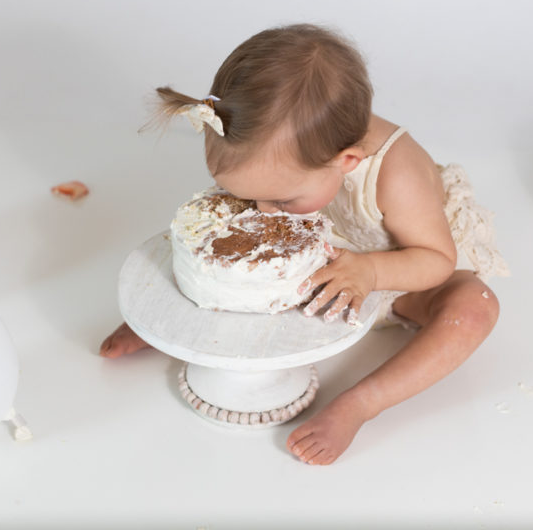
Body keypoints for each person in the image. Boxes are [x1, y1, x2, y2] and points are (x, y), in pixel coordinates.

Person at [100, 24, 509, 465]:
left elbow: (436, 260)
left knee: (474, 307)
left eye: (280, 200)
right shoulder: (279, 161)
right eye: (249, 194)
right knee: (211, 251)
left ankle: (361, 404)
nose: (265, 211)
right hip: (309, 269)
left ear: (346, 162)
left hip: (400, 277)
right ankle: (175, 328)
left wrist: (369, 272)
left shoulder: (396, 173)